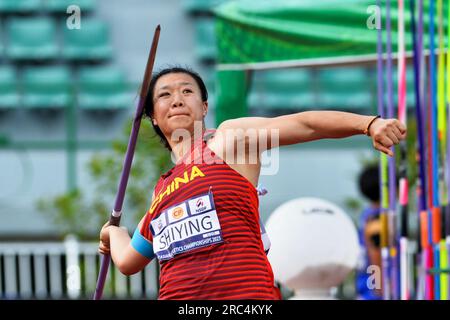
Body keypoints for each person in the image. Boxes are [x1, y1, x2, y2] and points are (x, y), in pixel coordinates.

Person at [98, 66, 406, 300]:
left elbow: (305, 125)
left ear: (205, 107)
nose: (177, 99)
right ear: (153, 116)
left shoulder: (228, 141)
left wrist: (369, 124)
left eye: (187, 91)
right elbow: (128, 260)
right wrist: (113, 231)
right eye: (165, 94)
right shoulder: (161, 191)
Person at [355, 164, 383, 300]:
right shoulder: (376, 221)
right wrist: (379, 289)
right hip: (373, 294)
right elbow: (375, 254)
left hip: (366, 290)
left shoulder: (367, 215)